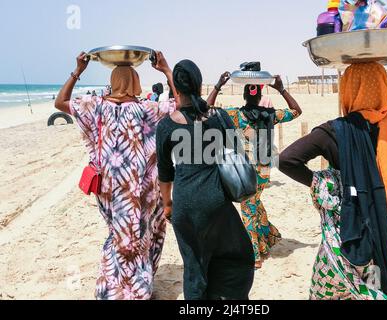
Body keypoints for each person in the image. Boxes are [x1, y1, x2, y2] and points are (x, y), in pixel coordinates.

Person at [278, 48, 387, 300]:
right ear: (383, 86)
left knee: (344, 287)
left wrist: (324, 182)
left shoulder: (335, 131)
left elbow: (287, 160)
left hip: (354, 234)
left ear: (347, 89)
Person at [55, 51, 177, 300]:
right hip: (139, 187)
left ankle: (114, 286)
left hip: (108, 187)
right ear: (134, 80)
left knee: (118, 233)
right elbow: (179, 104)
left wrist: (78, 70)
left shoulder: (96, 106)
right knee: (141, 232)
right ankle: (137, 286)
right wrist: (166, 70)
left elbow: (60, 103)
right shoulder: (146, 109)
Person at [156, 60, 255, 300]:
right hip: (215, 201)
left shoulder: (167, 126)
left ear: (175, 90)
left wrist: (168, 205)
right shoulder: (217, 117)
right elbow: (237, 150)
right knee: (237, 255)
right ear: (200, 85)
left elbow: (165, 172)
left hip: (185, 205)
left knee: (194, 266)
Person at [207, 72, 302, 269]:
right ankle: (268, 237)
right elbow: (296, 111)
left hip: (245, 172)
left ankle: (254, 255)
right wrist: (281, 89)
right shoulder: (270, 115)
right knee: (255, 203)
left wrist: (217, 86)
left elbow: (206, 110)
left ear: (244, 96)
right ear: (260, 97)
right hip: (264, 171)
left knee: (248, 211)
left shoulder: (235, 115)